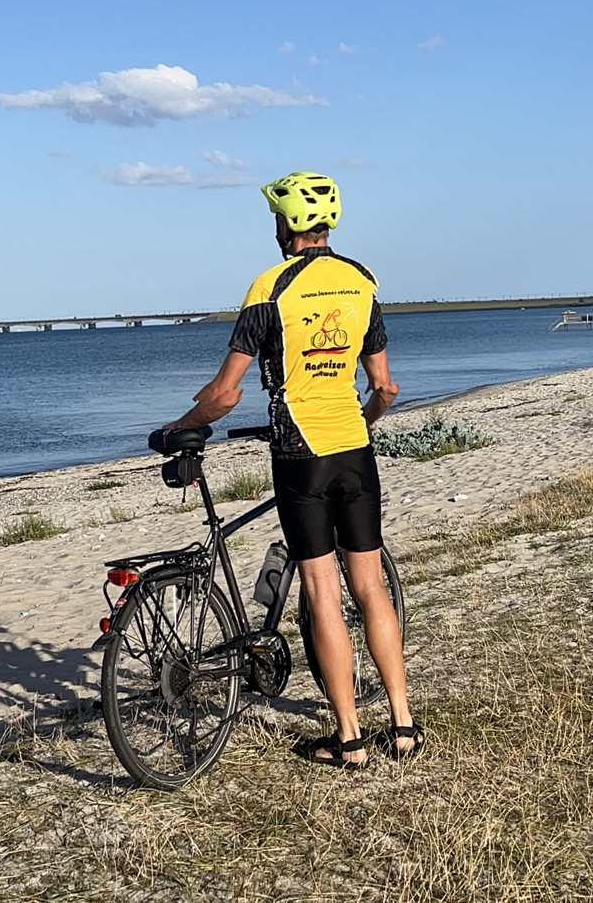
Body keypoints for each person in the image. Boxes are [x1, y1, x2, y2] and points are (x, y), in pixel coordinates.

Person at [163, 171, 423, 768]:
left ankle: (350, 738)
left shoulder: (270, 287)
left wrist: (179, 427)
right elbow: (384, 387)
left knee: (321, 592)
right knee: (372, 587)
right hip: (355, 449)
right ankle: (404, 727)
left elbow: (225, 396)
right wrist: (360, 422)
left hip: (299, 455)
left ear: (285, 225)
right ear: (328, 224)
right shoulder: (362, 281)